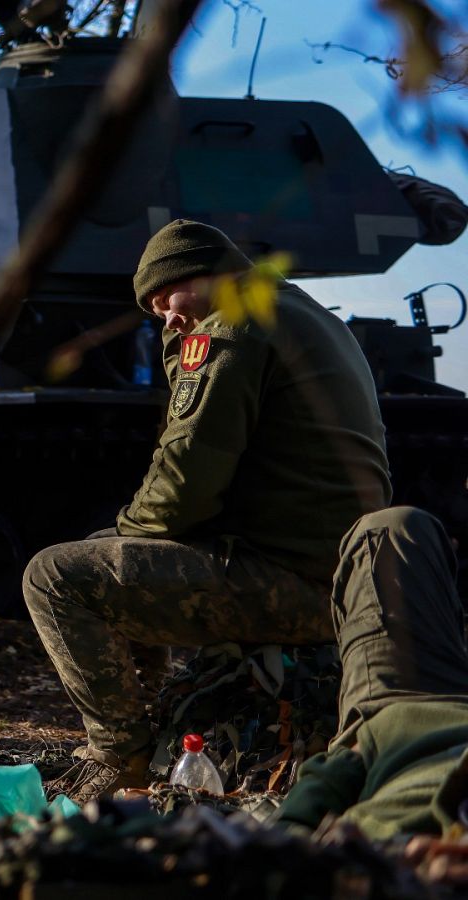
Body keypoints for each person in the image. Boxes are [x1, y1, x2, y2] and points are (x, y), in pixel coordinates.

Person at [24, 219, 393, 804]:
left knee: (55, 577)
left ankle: (120, 755)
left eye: (166, 298)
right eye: (153, 311)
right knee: (118, 553)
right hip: (341, 578)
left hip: (299, 587)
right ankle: (151, 718)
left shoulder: (233, 326)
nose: (167, 319)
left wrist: (121, 535)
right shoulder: (303, 312)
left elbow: (183, 487)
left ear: (206, 274)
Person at [276, 506, 468, 844]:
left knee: (390, 532)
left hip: (397, 715)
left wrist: (347, 758)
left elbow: (282, 844)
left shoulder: (379, 863)